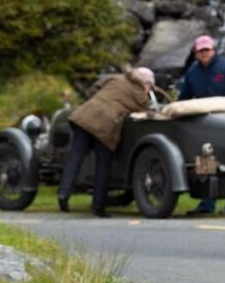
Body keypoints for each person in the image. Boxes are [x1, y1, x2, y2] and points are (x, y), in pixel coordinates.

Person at [58, 67, 156, 218]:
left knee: (76, 156)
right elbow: (146, 114)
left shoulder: (115, 78)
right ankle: (98, 207)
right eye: (150, 86)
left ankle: (63, 194)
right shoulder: (140, 96)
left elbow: (92, 90)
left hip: (85, 115)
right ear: (146, 84)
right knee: (103, 165)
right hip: (106, 125)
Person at [179, 35, 225, 215]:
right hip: (204, 123)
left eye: (206, 50)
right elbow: (184, 97)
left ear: (213, 50)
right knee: (206, 161)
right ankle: (207, 203)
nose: (204, 53)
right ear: (196, 53)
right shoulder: (192, 72)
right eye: (200, 51)